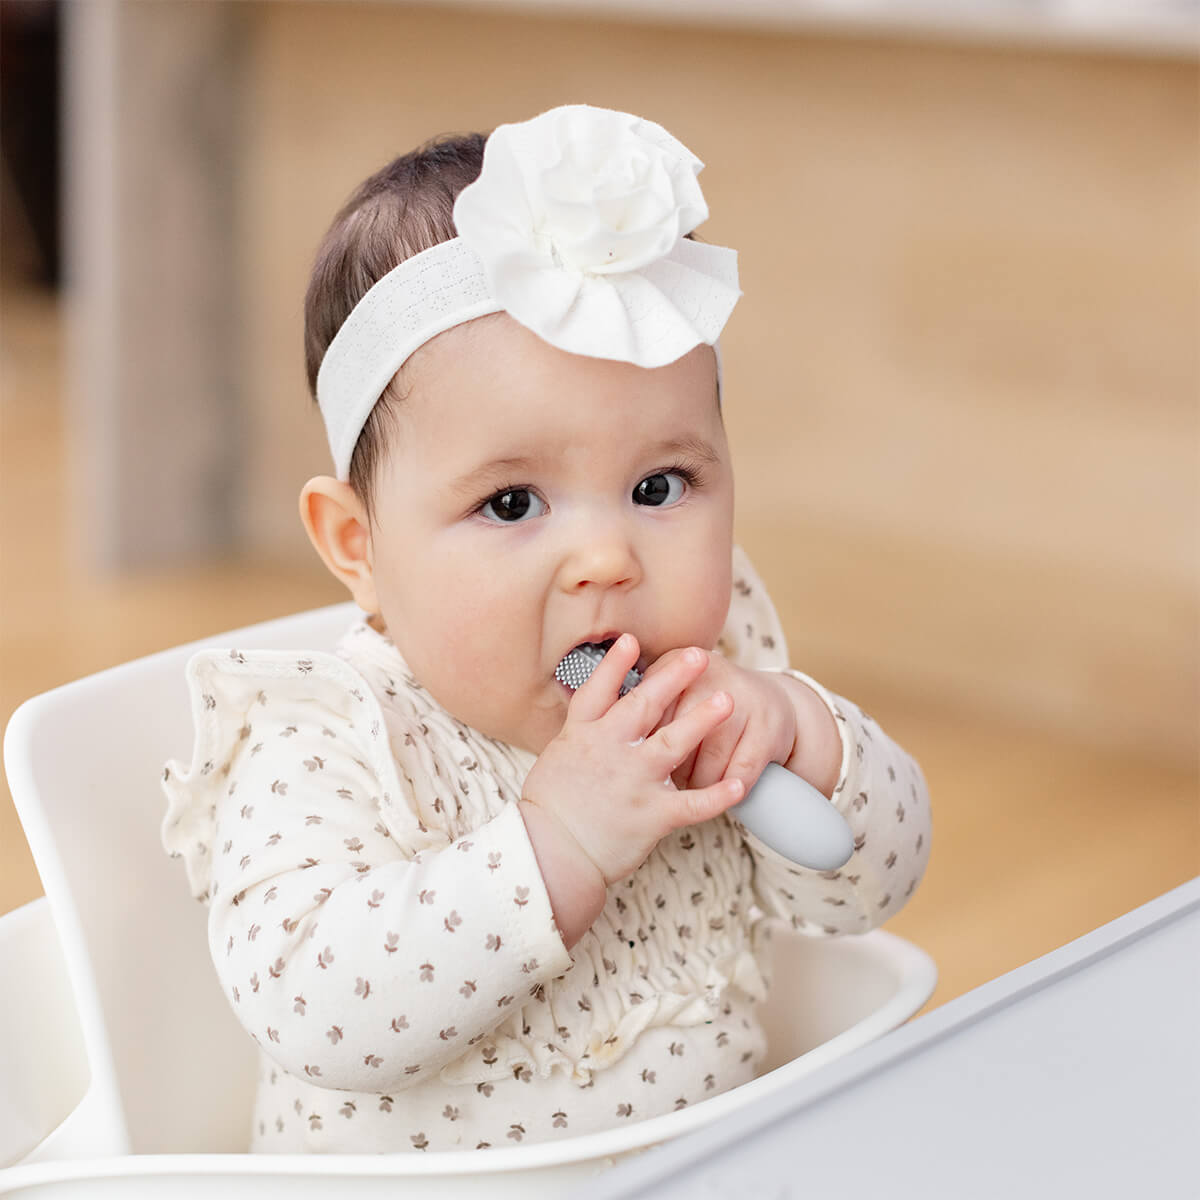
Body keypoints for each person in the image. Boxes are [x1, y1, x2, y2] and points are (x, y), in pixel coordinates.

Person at [162, 104, 931, 1154]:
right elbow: (318, 1010)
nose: (610, 560)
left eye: (661, 485)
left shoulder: (715, 693)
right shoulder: (325, 740)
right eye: (514, 505)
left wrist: (800, 732)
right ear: (358, 546)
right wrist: (559, 841)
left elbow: (868, 893)